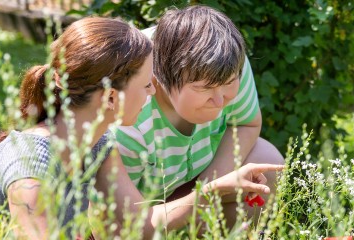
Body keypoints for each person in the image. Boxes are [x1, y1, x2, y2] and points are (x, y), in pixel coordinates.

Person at [0, 17, 283, 239]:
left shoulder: (97, 144)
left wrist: (214, 189)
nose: (154, 93)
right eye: (146, 86)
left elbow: (141, 224)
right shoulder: (32, 164)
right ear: (112, 97)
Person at [116, 5, 284, 227]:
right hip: (138, 208)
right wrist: (202, 197)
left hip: (195, 178)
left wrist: (210, 188)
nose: (219, 101)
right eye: (204, 88)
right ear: (161, 78)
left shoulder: (225, 60)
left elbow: (246, 123)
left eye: (228, 83)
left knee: (267, 161)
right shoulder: (129, 111)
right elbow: (122, 222)